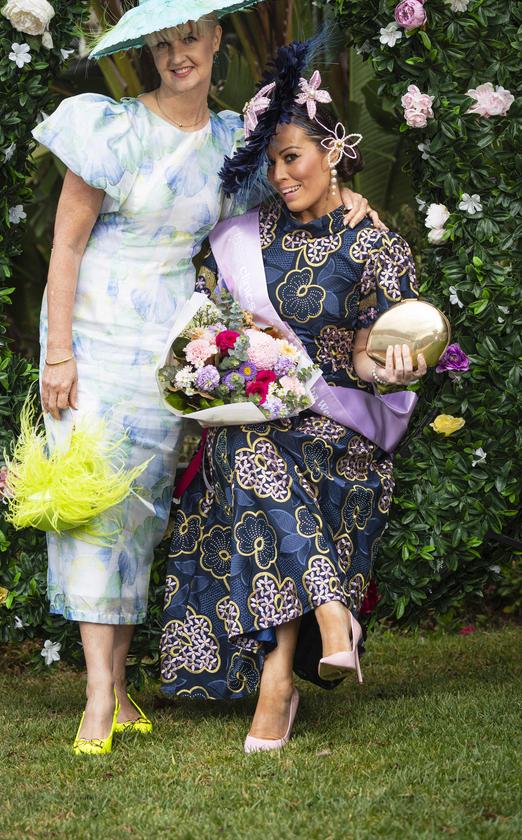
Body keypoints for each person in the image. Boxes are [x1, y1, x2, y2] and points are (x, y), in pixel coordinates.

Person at [31, 0, 379, 756]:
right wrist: (58, 354)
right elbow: (67, 245)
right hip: (94, 340)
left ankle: (119, 694)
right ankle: (96, 699)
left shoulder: (231, 142)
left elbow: (296, 189)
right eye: (163, 43)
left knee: (141, 516)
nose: (178, 53)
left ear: (216, 39)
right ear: (149, 53)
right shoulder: (110, 130)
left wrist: (354, 203)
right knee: (95, 509)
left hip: (179, 353)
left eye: (190, 36)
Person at [160, 41, 427, 753]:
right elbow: (200, 330)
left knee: (256, 461)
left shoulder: (378, 248)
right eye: (271, 162)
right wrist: (227, 347)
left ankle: (282, 681)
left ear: (334, 150)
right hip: (260, 423)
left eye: (293, 158)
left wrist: (394, 367)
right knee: (248, 446)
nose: (278, 176)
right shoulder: (243, 238)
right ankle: (325, 627)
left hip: (342, 433)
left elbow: (372, 362)